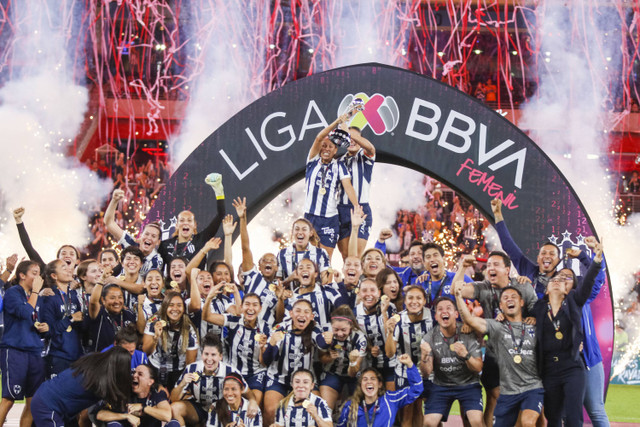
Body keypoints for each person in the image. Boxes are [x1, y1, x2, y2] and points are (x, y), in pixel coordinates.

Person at [453, 251, 538, 426]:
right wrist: (463, 267)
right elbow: (457, 289)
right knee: (493, 397)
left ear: (507, 269)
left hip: (521, 355)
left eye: (496, 264)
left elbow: (538, 311)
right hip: (494, 353)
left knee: (522, 404)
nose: (490, 268)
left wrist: (534, 318)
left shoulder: (523, 287)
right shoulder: (483, 287)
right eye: (488, 265)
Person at [532, 240, 603, 427]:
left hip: (572, 367)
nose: (558, 281)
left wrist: (595, 259)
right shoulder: (538, 308)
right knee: (553, 418)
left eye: (563, 280)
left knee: (574, 418)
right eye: (554, 279)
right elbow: (514, 314)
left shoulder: (575, 301)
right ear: (545, 289)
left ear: (567, 289)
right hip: (548, 370)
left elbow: (589, 281)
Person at [262, 299, 330, 426]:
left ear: (311, 316)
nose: (302, 315)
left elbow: (322, 343)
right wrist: (271, 344)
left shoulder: (314, 328)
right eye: (298, 311)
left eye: (306, 312)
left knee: (317, 409)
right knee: (271, 410)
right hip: (279, 378)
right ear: (291, 313)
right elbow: (266, 360)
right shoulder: (280, 328)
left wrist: (328, 339)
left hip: (305, 381)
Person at [169, 333, 259, 427]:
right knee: (174, 408)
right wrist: (182, 384)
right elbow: (174, 399)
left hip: (221, 411)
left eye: (213, 355)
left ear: (220, 356)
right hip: (199, 409)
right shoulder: (191, 368)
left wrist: (252, 401)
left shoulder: (230, 371)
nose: (209, 359)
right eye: (206, 354)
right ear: (201, 354)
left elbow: (248, 393)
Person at [419, 297, 483, 427]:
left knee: (476, 422)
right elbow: (426, 373)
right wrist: (424, 357)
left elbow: (478, 367)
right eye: (440, 309)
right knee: (428, 423)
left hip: (469, 385)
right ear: (436, 316)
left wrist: (466, 355)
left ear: (456, 314)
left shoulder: (467, 333)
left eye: (448, 308)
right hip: (441, 386)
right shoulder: (429, 337)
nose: (444, 312)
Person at [304, 113, 360, 259]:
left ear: (336, 150)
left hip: (330, 218)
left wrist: (357, 206)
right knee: (308, 257)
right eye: (324, 146)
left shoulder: (340, 166)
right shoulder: (312, 161)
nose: (326, 149)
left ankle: (326, 282)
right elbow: (318, 138)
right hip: (310, 216)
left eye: (330, 147)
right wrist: (337, 122)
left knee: (325, 258)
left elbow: (347, 186)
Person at [31, 347, 132, 426]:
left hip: (48, 398)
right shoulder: (99, 381)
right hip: (48, 406)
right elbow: (108, 406)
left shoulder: (93, 360)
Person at [0, 260, 47, 426]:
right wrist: (35, 292)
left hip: (34, 351)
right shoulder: (14, 292)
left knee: (33, 402)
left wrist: (44, 327)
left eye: (39, 273)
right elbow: (24, 312)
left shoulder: (36, 297)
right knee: (9, 398)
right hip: (15, 350)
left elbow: (34, 319)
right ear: (22, 275)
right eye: (34, 273)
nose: (38, 277)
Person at [203, 292, 271, 405]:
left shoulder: (266, 328)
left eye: (254, 305)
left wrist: (262, 348)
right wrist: (209, 296)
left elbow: (263, 363)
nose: (250, 308)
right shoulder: (234, 320)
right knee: (227, 403)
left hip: (255, 373)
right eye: (247, 304)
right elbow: (206, 316)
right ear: (241, 307)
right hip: (234, 371)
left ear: (260, 308)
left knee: (254, 402)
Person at [491, 198, 561, 298]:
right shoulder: (528, 270)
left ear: (558, 260)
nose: (547, 256)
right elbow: (508, 245)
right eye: (544, 253)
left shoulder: (562, 281)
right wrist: (497, 214)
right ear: (538, 258)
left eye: (552, 254)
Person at [385, 285, 433, 427]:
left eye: (419, 298)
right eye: (410, 298)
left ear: (424, 301)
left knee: (422, 410)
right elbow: (389, 353)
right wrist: (389, 332)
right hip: (404, 372)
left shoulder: (432, 317)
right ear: (405, 301)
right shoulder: (398, 319)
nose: (414, 301)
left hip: (427, 372)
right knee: (407, 412)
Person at [158, 173, 226, 267]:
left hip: (195, 281)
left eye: (189, 220)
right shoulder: (165, 244)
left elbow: (221, 214)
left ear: (194, 225)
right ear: (176, 225)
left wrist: (218, 190)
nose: (185, 223)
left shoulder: (201, 239)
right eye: (182, 220)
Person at [337, 354, 424, 427]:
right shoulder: (350, 406)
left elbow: (416, 389)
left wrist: (410, 365)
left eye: (373, 379)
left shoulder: (390, 400)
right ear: (360, 385)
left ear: (379, 384)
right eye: (365, 379)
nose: (369, 382)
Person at [142, 291, 198, 390]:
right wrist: (155, 337)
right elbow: (145, 351)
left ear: (184, 309)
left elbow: (190, 365)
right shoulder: (154, 321)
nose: (175, 309)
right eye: (171, 305)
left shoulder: (189, 330)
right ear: (164, 307)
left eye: (179, 305)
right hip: (155, 367)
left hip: (178, 371)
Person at [336, 124, 376, 259]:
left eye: (354, 137)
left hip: (361, 208)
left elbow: (370, 148)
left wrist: (349, 133)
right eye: (347, 137)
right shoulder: (338, 161)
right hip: (341, 210)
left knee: (356, 257)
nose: (351, 140)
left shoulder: (366, 157)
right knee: (346, 257)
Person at [318, 305, 367, 412]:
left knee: (358, 411)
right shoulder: (326, 331)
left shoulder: (360, 338)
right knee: (324, 409)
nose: (340, 334)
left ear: (351, 326)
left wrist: (353, 362)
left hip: (354, 376)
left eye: (344, 330)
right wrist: (329, 357)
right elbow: (321, 358)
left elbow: (353, 373)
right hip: (332, 372)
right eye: (336, 329)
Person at [41, 259, 84, 376]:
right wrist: (70, 319)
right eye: (64, 268)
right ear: (54, 276)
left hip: (77, 355)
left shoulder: (75, 295)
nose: (69, 269)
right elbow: (48, 330)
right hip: (58, 356)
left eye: (68, 267)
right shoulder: (49, 297)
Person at [105, 188, 164, 274]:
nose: (149, 238)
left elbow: (143, 287)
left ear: (158, 242)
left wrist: (117, 281)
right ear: (140, 236)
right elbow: (109, 223)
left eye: (153, 236)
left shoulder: (156, 260)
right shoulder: (130, 243)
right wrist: (114, 201)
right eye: (146, 234)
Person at [95, 364, 171, 427]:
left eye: (140, 374)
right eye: (134, 372)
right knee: (113, 424)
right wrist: (126, 416)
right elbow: (100, 414)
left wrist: (143, 407)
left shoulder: (156, 393)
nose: (134, 375)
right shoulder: (124, 392)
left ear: (150, 382)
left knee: (173, 423)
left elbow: (167, 416)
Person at [278, 258, 343, 330]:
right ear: (297, 274)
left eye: (308, 267)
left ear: (315, 274)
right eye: (301, 268)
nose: (304, 270)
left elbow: (344, 309)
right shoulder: (291, 298)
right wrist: (280, 300)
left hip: (327, 338)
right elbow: (284, 322)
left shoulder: (328, 291)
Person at [355, 278, 396, 390]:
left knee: (390, 399)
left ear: (378, 293)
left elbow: (392, 333)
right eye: (364, 290)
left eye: (372, 290)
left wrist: (383, 312)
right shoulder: (355, 313)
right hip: (369, 366)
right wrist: (369, 348)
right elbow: (357, 339)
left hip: (391, 363)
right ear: (359, 293)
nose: (369, 294)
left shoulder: (390, 307)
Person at [89, 270, 136, 352]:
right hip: (102, 360)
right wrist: (101, 280)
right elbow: (93, 302)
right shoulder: (99, 313)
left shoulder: (129, 314)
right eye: (112, 298)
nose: (117, 301)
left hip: (124, 360)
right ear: (103, 300)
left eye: (120, 297)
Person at [276, 218, 331, 284]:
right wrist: (289, 279)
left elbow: (325, 282)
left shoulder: (321, 253)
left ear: (310, 233)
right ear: (292, 232)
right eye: (297, 229)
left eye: (304, 229)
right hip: (290, 294)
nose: (300, 232)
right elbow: (277, 285)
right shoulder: (282, 254)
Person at [136, 269, 165, 334]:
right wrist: (140, 306)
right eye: (149, 280)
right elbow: (141, 330)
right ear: (144, 284)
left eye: (158, 279)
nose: (154, 282)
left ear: (163, 283)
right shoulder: (139, 302)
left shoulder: (169, 300)